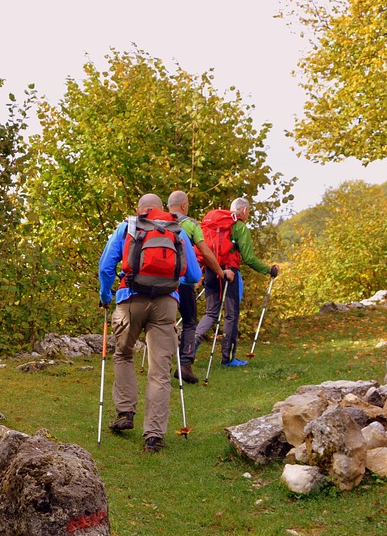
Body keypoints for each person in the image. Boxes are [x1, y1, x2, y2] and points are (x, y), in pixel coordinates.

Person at [98, 193, 201, 453]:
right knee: (159, 371)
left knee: (123, 354)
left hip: (130, 298)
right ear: (161, 208)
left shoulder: (128, 226)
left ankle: (125, 413)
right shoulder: (177, 229)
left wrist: (105, 295)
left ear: (140, 209)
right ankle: (154, 436)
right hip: (166, 304)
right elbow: (194, 274)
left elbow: (106, 267)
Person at [193, 197, 280, 368]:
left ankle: (191, 347)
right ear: (245, 210)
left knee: (211, 313)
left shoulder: (211, 224)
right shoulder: (239, 226)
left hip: (210, 270)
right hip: (229, 272)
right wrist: (267, 270)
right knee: (231, 315)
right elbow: (248, 258)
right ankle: (228, 358)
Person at [166, 190, 230, 384]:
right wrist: (220, 272)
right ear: (184, 205)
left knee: (163, 321)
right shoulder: (191, 224)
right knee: (189, 321)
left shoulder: (158, 222)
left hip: (161, 282)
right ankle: (184, 364)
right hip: (183, 282)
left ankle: (161, 362)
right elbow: (205, 252)